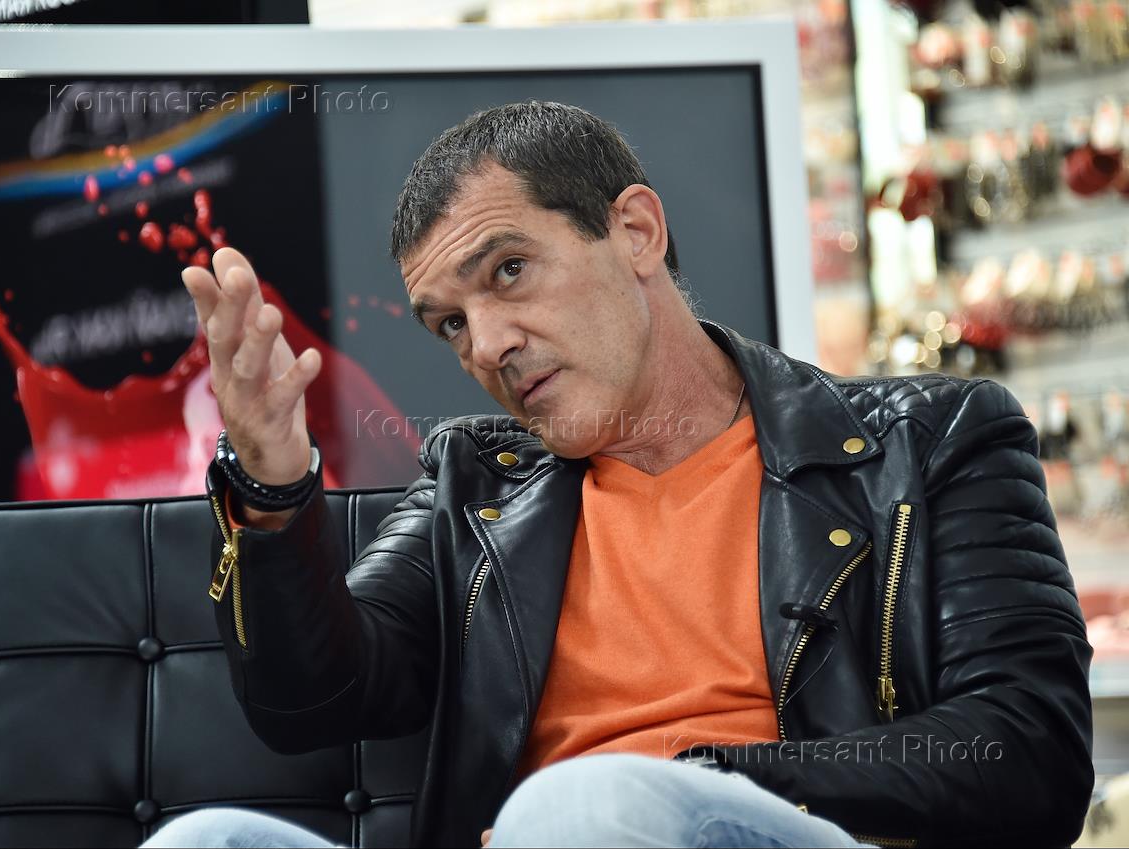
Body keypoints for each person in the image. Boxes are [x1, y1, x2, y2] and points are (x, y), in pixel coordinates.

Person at [148, 101, 1093, 848]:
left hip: (762, 824)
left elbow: (1029, 746)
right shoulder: (473, 481)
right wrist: (272, 483)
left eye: (508, 270)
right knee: (206, 841)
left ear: (636, 231)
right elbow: (312, 700)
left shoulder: (927, 439)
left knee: (583, 806)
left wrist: (704, 776)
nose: (488, 344)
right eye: (450, 323)